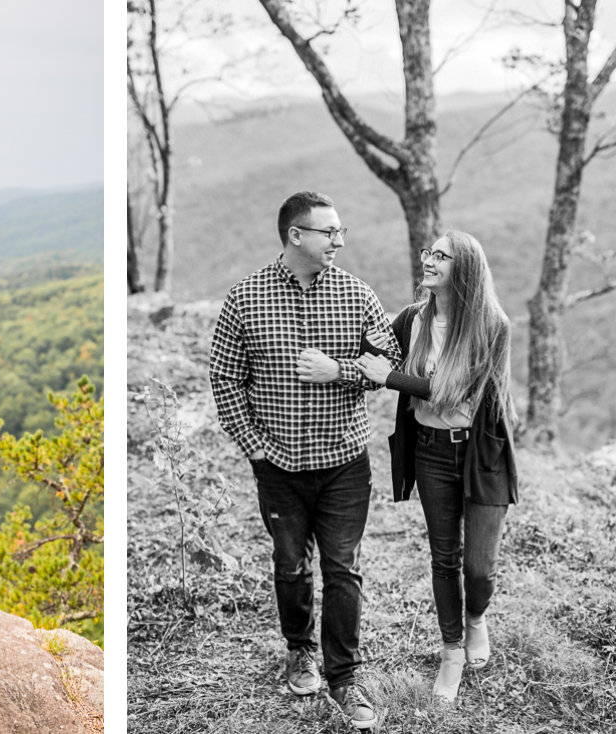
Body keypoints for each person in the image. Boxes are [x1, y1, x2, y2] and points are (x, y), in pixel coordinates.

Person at [210, 191, 399, 730]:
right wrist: (252, 445)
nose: (340, 240)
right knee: (292, 565)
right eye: (329, 232)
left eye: (340, 232)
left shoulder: (357, 294)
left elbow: (390, 362)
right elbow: (226, 377)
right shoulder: (244, 299)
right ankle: (299, 649)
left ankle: (345, 678)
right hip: (278, 466)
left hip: (344, 462)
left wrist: (339, 371)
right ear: (297, 235)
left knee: (343, 570)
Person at [356, 230, 518, 703]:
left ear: (463, 268)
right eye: (429, 252)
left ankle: (476, 620)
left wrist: (388, 377)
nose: (428, 259)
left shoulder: (491, 325)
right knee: (444, 558)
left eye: (440, 256)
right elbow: (374, 345)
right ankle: (451, 652)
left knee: (479, 568)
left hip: (481, 452)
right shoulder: (412, 319)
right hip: (430, 450)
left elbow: (453, 390)